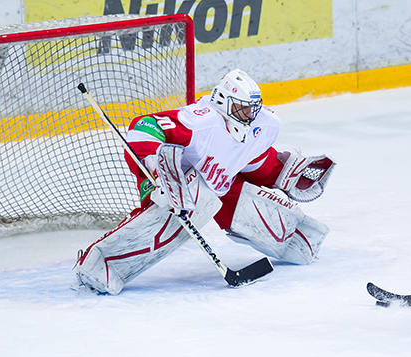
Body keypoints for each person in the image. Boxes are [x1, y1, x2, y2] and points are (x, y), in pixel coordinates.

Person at [74, 69, 335, 294]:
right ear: (223, 101)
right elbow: (144, 127)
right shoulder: (201, 122)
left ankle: (297, 238)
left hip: (221, 182)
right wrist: (156, 172)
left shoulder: (263, 124)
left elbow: (250, 158)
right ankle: (100, 262)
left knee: (257, 212)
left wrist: (281, 173)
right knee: (186, 208)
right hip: (175, 184)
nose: (249, 114)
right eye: (242, 107)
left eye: (252, 108)